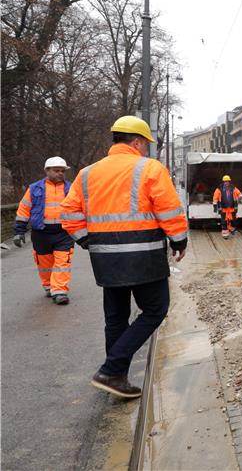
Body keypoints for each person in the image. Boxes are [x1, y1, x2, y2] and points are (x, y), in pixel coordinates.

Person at [60, 115, 188, 399]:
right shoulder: (150, 168)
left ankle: (116, 376)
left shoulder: (87, 173)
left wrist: (88, 241)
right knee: (155, 310)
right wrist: (179, 240)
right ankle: (111, 369)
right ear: (137, 141)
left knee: (115, 317)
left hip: (105, 258)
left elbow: (68, 214)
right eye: (145, 145)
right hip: (144, 257)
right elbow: (168, 210)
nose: (145, 150)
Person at [14, 156, 75, 305]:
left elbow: (80, 208)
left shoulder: (71, 188)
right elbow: (24, 209)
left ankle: (60, 291)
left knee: (63, 262)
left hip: (64, 233)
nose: (60, 173)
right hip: (41, 233)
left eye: (62, 171)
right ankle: (49, 286)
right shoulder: (34, 188)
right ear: (47, 171)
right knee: (45, 265)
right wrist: (19, 231)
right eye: (56, 170)